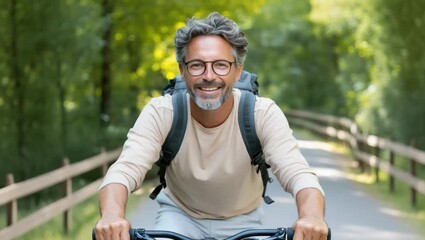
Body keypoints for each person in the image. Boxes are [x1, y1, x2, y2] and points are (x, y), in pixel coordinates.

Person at [95, 12, 328, 240]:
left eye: (220, 65)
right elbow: (124, 170)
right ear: (182, 71)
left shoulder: (261, 113)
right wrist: (112, 217)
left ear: (237, 71)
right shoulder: (162, 112)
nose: (209, 75)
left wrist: (312, 217)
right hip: (179, 217)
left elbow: (298, 173)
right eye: (197, 65)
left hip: (243, 220)